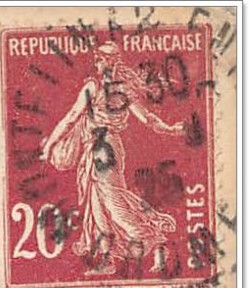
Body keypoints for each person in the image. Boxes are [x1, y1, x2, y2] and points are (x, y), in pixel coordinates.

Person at [39, 41, 188, 273]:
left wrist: (49, 145)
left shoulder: (94, 87)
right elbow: (148, 118)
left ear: (104, 62)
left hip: (102, 148)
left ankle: (155, 241)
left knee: (112, 201)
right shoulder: (122, 89)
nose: (97, 64)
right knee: (98, 204)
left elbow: (71, 117)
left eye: (99, 60)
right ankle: (107, 259)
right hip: (104, 147)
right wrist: (169, 129)